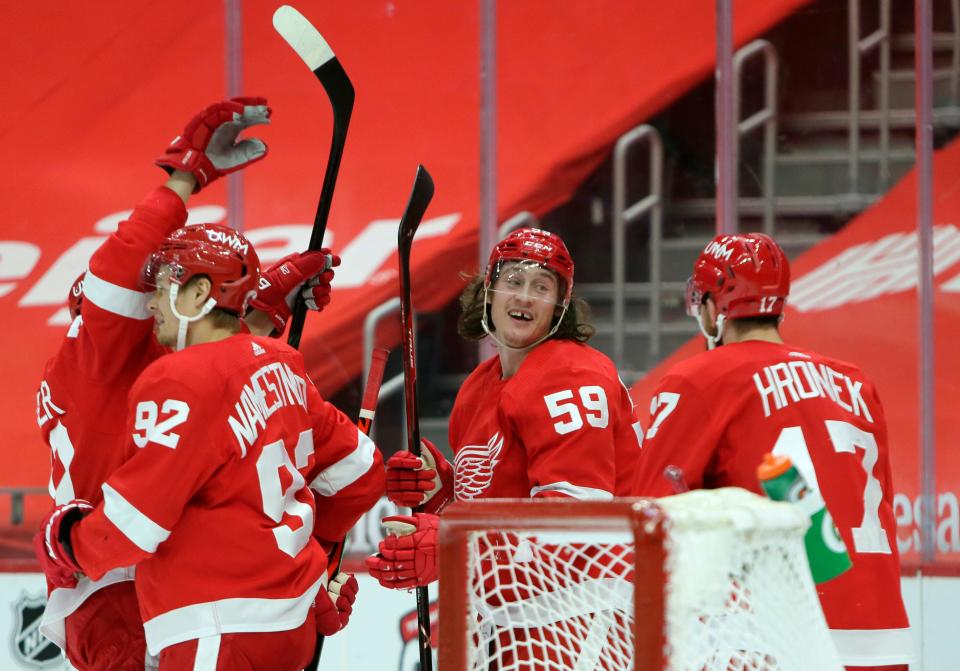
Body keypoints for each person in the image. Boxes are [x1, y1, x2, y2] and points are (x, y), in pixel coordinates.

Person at [34, 97, 340, 670]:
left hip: (130, 576)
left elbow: (207, 362)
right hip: (117, 584)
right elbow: (122, 273)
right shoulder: (95, 355)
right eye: (149, 297)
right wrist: (182, 178)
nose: (157, 302)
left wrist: (257, 303)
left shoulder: (126, 369)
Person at [35, 222, 384, 670]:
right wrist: (310, 567)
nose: (155, 307)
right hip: (231, 613)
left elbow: (137, 520)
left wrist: (64, 542)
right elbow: (358, 469)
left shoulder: (167, 377)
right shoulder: (277, 364)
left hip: (189, 610)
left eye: (160, 293)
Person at [632, 233, 912, 671]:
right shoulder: (857, 382)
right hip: (881, 636)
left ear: (713, 308)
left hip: (772, 638)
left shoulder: (699, 379)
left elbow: (652, 516)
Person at [365, 226, 641, 584]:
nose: (525, 296)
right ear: (489, 292)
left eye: (542, 286)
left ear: (560, 306)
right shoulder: (478, 387)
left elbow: (574, 529)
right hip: (511, 618)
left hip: (585, 617)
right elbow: (491, 510)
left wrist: (454, 546)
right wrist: (439, 495)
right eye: (513, 281)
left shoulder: (571, 377)